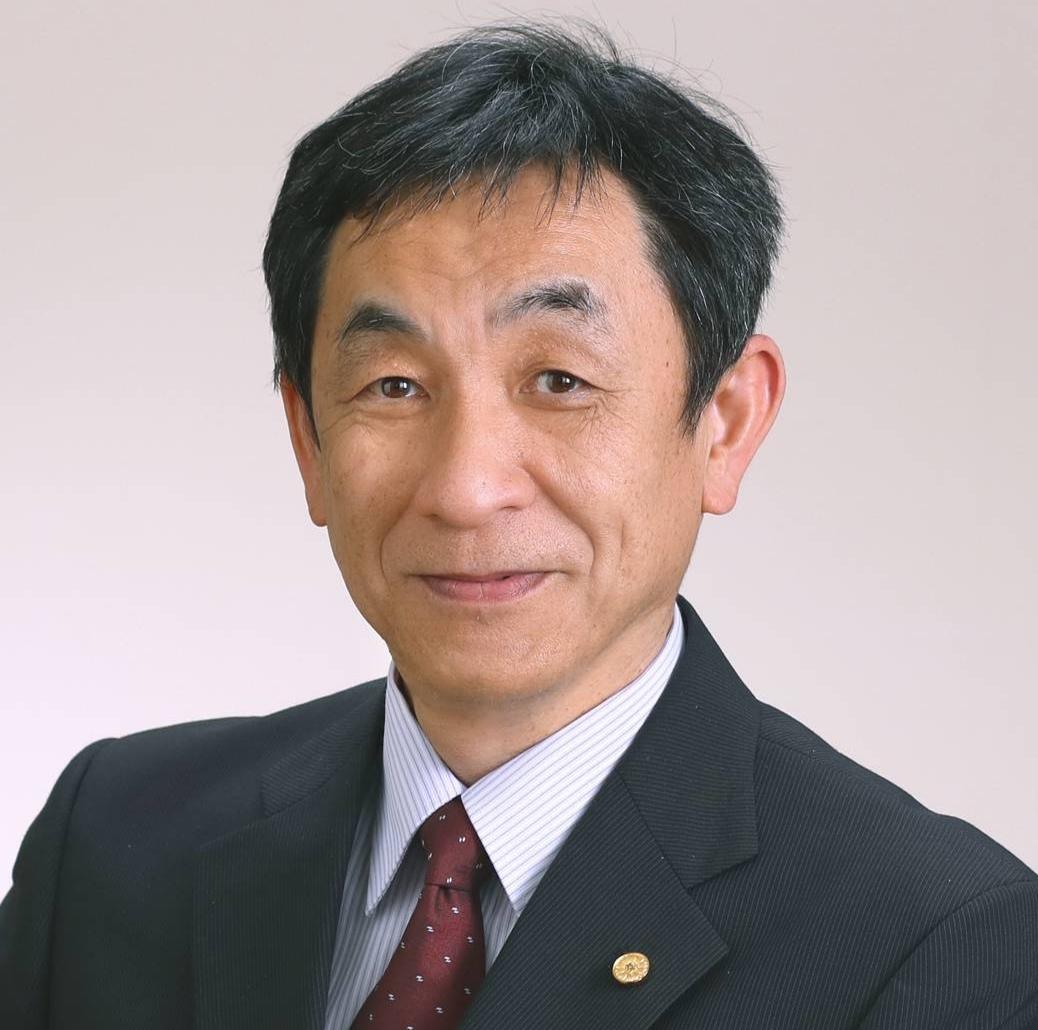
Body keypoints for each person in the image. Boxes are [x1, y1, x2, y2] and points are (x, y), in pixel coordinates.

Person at [1, 20, 1035, 1030]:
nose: (466, 488)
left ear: (725, 423)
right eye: (394, 385)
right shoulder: (113, 842)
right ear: (308, 438)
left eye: (559, 379)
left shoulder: (940, 952)